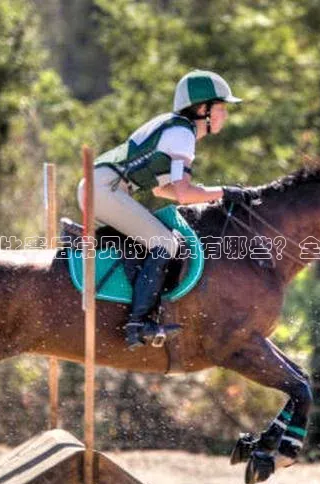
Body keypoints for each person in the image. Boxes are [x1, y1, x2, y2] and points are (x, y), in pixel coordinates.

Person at [78, 69, 256, 350]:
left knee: (154, 240)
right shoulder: (182, 134)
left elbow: (165, 190)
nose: (225, 115)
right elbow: (184, 194)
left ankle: (87, 239)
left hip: (102, 187)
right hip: (104, 189)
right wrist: (226, 192)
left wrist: (216, 197)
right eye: (221, 107)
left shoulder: (176, 129)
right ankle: (138, 323)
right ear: (203, 110)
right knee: (165, 242)